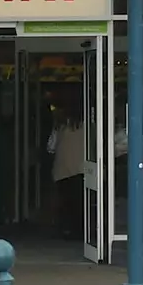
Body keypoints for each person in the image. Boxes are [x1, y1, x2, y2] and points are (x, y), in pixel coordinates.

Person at [49, 90, 85, 241]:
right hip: (83, 169)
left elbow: (50, 147)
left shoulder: (60, 128)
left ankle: (66, 230)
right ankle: (81, 231)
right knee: (81, 203)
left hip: (63, 170)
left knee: (66, 202)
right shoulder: (89, 126)